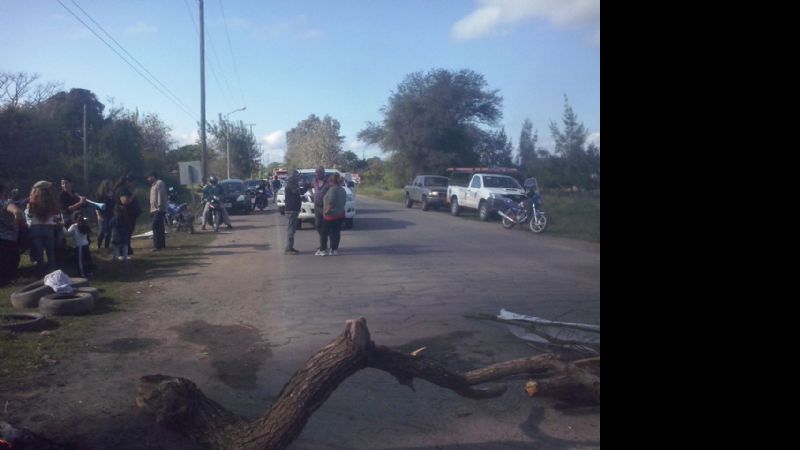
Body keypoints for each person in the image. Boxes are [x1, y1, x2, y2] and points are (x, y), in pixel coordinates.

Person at [25, 181, 61, 276]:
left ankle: (41, 273)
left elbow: (29, 214)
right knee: (50, 252)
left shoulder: (33, 199)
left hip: (35, 228)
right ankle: (53, 273)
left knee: (39, 253)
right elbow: (57, 216)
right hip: (49, 227)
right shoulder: (51, 200)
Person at [1, 183, 25, 284]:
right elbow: (18, 212)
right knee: (11, 260)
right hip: (7, 238)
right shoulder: (4, 203)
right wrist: (13, 224)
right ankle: (8, 281)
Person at [317, 173, 347, 256]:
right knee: (336, 232)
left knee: (324, 233)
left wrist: (327, 211)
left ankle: (323, 250)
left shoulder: (333, 189)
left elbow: (331, 201)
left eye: (329, 182)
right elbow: (344, 201)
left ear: (332, 182)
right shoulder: (342, 189)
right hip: (340, 214)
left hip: (330, 215)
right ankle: (334, 249)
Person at [114, 174, 141, 256]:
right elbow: (125, 201)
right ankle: (123, 251)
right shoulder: (122, 190)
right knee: (125, 233)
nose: (134, 184)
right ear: (127, 182)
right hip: (126, 215)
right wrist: (134, 195)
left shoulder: (126, 189)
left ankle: (127, 250)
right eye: (132, 182)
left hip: (130, 215)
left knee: (128, 233)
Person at [283, 170, 309, 255]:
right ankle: (288, 248)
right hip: (291, 210)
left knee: (292, 229)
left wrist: (301, 198)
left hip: (293, 209)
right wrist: (306, 187)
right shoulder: (291, 186)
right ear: (293, 177)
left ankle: (290, 247)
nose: (298, 178)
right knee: (291, 229)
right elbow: (298, 192)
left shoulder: (292, 185)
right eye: (297, 177)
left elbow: (295, 195)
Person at [63, 211, 95, 277]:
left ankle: (82, 274)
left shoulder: (74, 226)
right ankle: (90, 272)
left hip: (80, 246)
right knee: (87, 259)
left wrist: (62, 226)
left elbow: (67, 234)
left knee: (80, 261)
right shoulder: (85, 225)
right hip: (86, 245)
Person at [146, 171, 168, 251]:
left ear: (153, 176)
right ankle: (161, 246)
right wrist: (151, 210)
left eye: (148, 177)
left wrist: (159, 207)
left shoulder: (159, 183)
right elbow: (152, 198)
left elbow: (160, 195)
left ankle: (157, 246)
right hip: (154, 209)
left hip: (159, 209)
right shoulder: (153, 185)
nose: (147, 179)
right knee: (159, 227)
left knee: (155, 226)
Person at [311, 166, 330, 249]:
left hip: (325, 207)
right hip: (317, 206)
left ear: (323, 173)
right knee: (318, 225)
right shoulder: (314, 181)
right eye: (317, 172)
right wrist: (312, 195)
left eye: (320, 172)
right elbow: (309, 187)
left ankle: (323, 245)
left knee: (325, 226)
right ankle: (324, 241)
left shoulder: (328, 182)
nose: (318, 174)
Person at [94, 179, 115, 249]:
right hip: (102, 214)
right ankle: (98, 246)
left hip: (111, 214)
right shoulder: (99, 194)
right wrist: (98, 215)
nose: (110, 186)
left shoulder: (112, 193)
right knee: (102, 230)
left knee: (109, 231)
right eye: (109, 185)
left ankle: (107, 246)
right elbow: (96, 206)